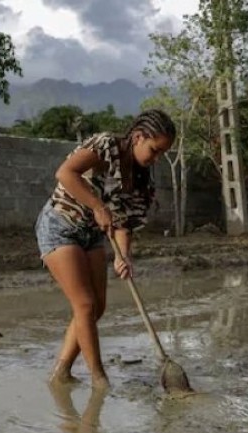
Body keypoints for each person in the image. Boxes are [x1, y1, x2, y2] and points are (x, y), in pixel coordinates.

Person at [35, 109, 176, 389]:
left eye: (161, 154)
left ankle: (62, 372)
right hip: (61, 224)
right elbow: (65, 173)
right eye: (154, 150)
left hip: (92, 235)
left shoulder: (140, 179)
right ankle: (99, 380)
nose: (156, 158)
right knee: (85, 305)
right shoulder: (105, 146)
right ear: (138, 137)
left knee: (97, 308)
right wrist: (98, 206)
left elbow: (123, 224)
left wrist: (123, 256)